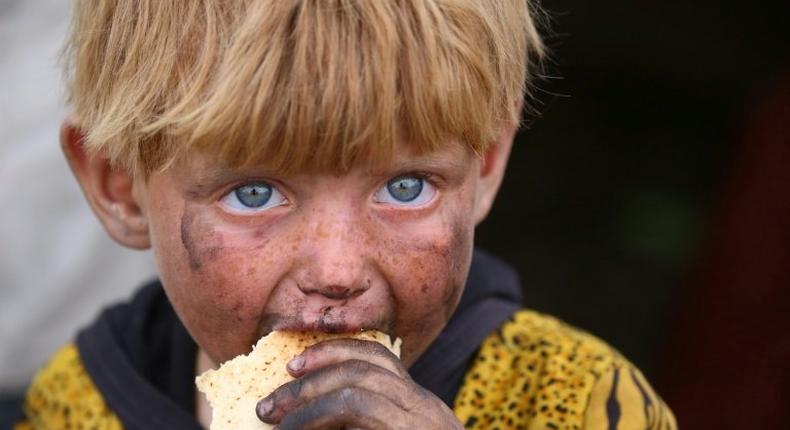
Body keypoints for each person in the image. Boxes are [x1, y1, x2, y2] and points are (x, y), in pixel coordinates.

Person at [16, 1, 676, 428]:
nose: (337, 271)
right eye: (253, 194)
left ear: (485, 167)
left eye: (408, 186)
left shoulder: (580, 401)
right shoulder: (75, 406)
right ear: (119, 187)